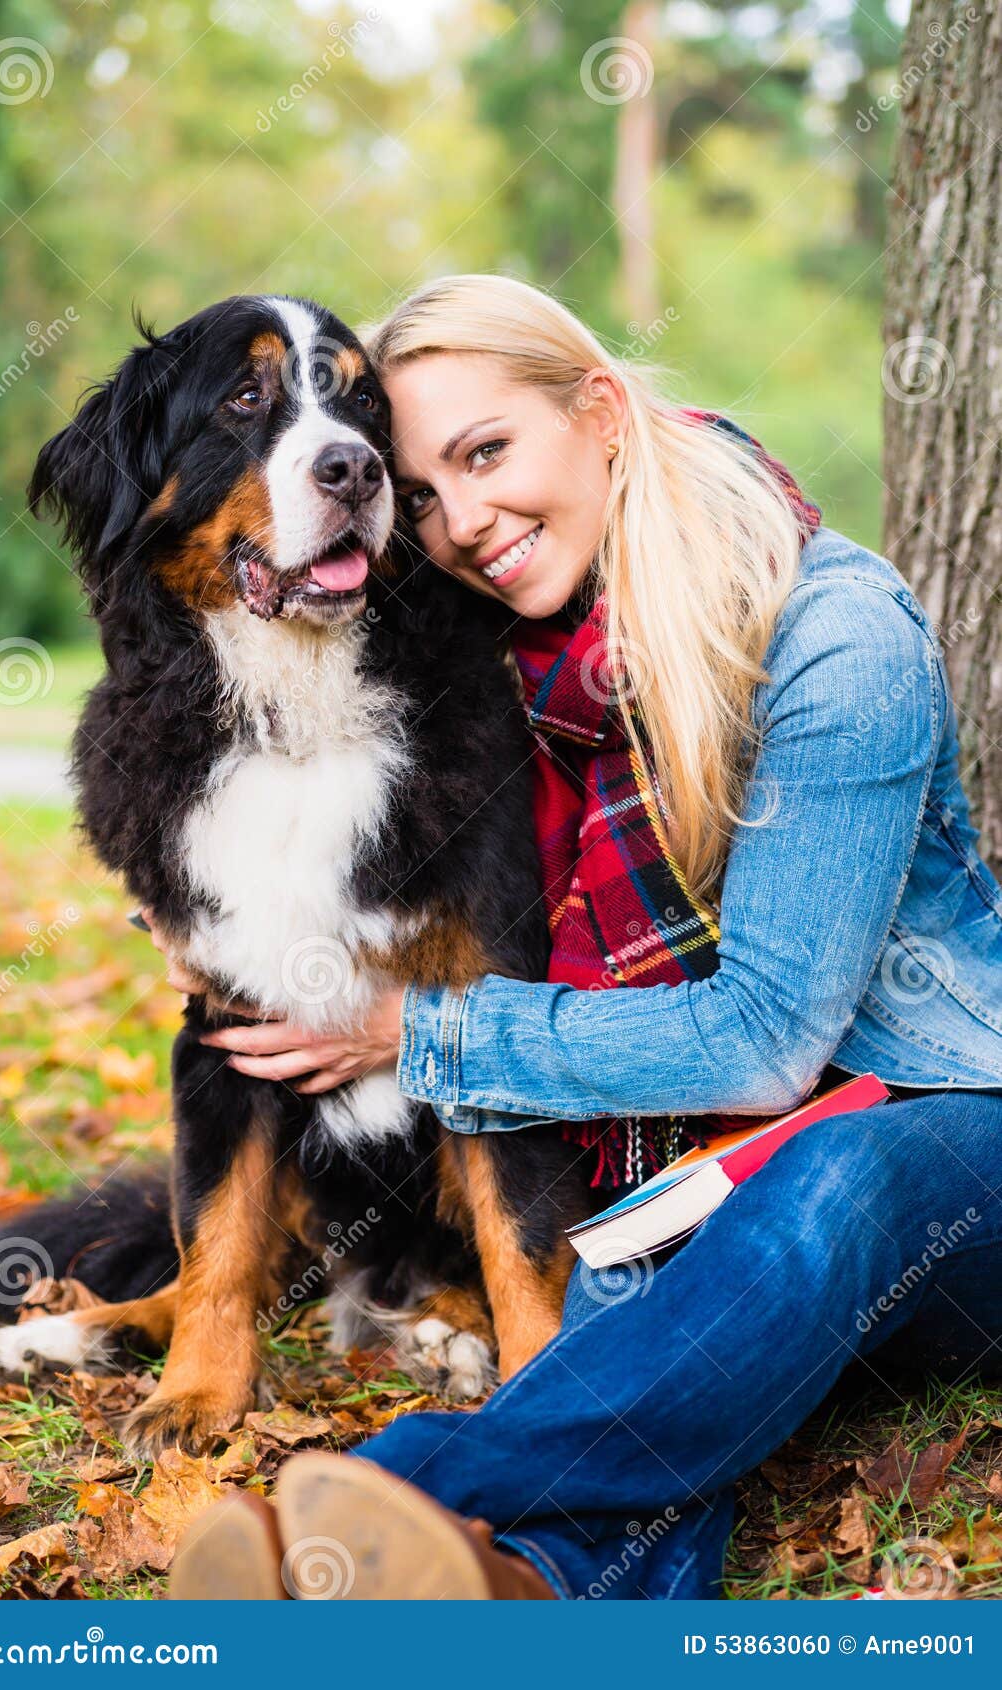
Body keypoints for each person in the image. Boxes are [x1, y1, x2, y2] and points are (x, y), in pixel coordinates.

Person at [161, 275, 1002, 1601]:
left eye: (489, 454)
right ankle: (518, 1588)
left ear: (601, 411)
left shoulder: (834, 637)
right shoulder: (512, 652)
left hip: (942, 1146)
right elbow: (297, 759)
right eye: (423, 495)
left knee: (837, 1177)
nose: (464, 524)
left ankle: (404, 1492)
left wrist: (409, 1033)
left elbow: (767, 1041)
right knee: (629, 1306)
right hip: (702, 1172)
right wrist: (221, 916)